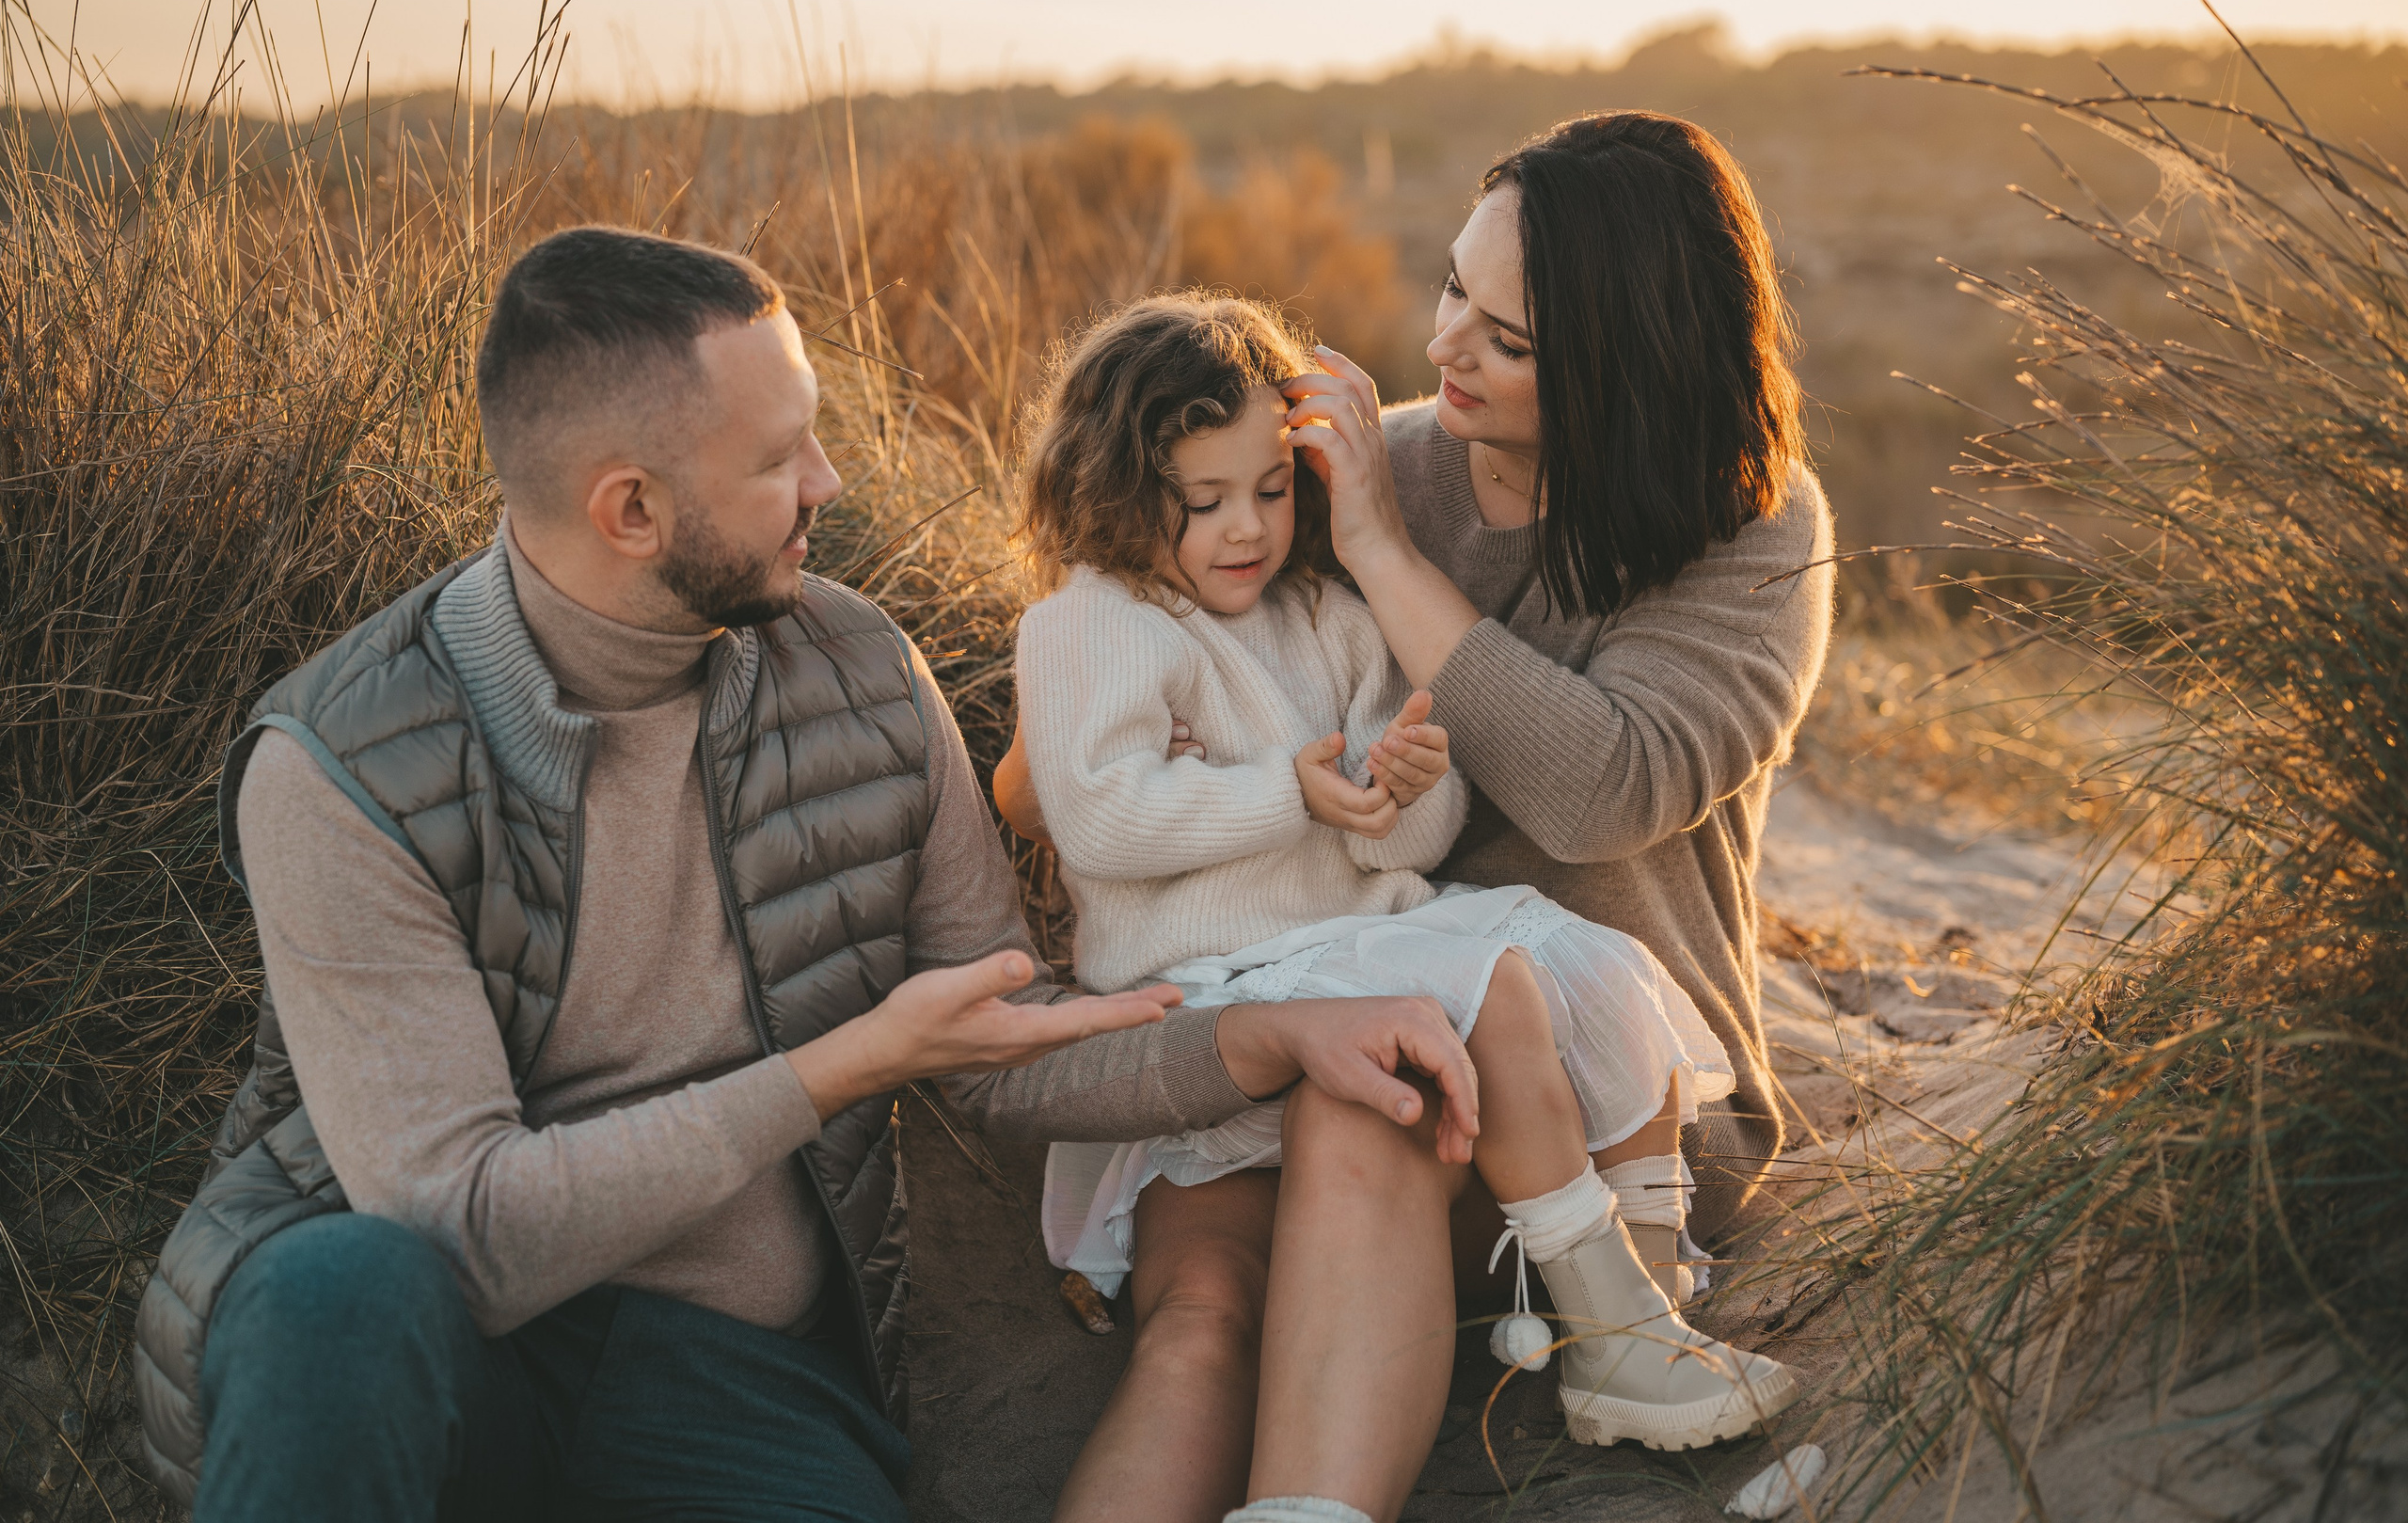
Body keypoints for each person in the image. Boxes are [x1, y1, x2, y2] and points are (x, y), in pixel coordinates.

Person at [131, 227, 1212, 1523]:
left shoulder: (861, 672)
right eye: (777, 458)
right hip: (426, 1357)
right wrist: (842, 1067)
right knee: (338, 1288)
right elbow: (462, 1232)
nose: (829, 478)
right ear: (631, 510)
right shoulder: (339, 765)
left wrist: (1273, 1045)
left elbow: (996, 1037)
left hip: (738, 1387)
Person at [994, 112, 1833, 1522]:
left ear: (1626, 367)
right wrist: (1130, 733)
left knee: (1372, 1083)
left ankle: (1602, 1338)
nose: (1444, 350)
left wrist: (1378, 549)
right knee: (1236, 1260)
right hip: (1321, 992)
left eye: (1506, 340)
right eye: (1454, 290)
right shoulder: (1326, 470)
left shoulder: (1749, 530)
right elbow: (1054, 768)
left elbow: (1596, 791)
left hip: (1612, 1101)